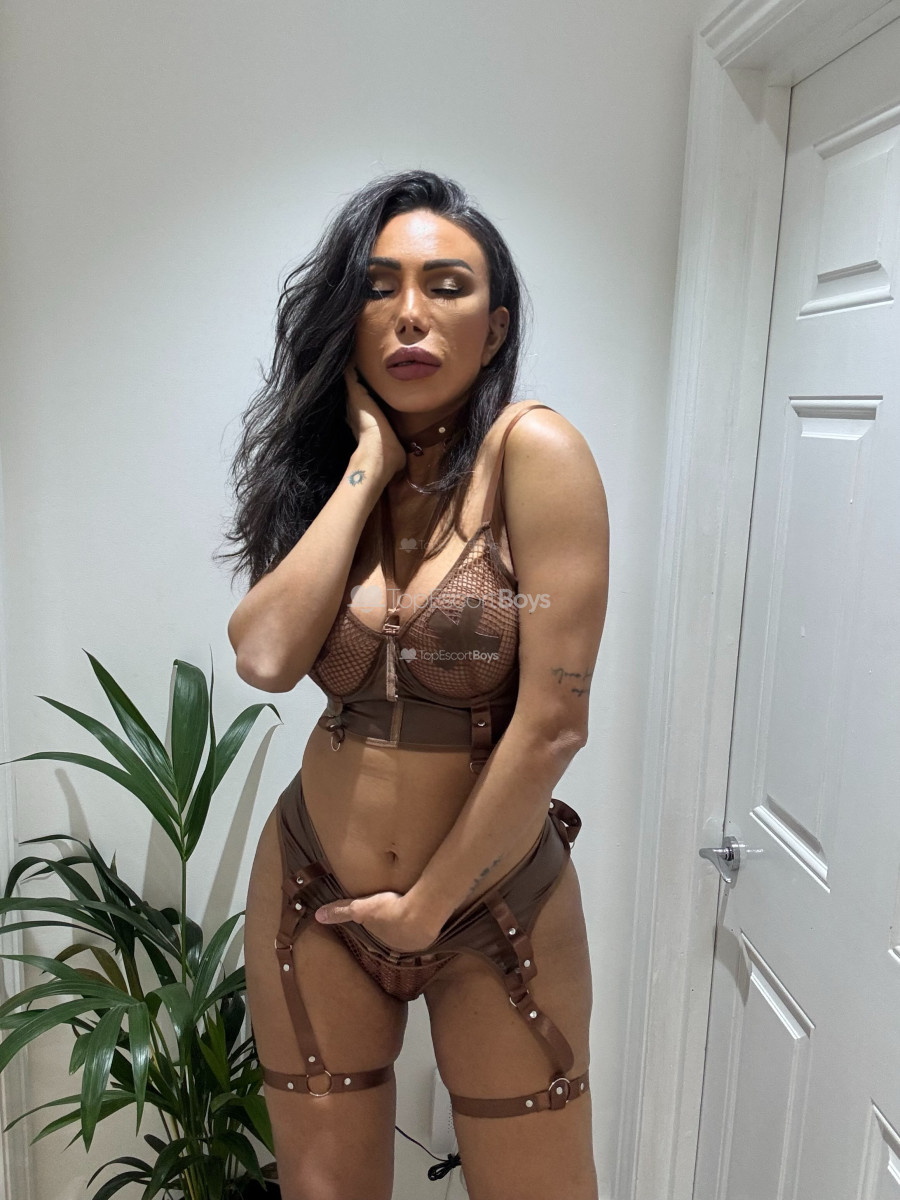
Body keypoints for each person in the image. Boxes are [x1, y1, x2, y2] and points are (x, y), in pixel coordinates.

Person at [222, 169, 609, 1200]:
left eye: (446, 286)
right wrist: (365, 465)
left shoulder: (536, 454)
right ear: (345, 324)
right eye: (378, 287)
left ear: (495, 325)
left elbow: (553, 726)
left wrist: (428, 908)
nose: (409, 313)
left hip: (495, 906)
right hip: (314, 894)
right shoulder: (333, 476)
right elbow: (265, 658)